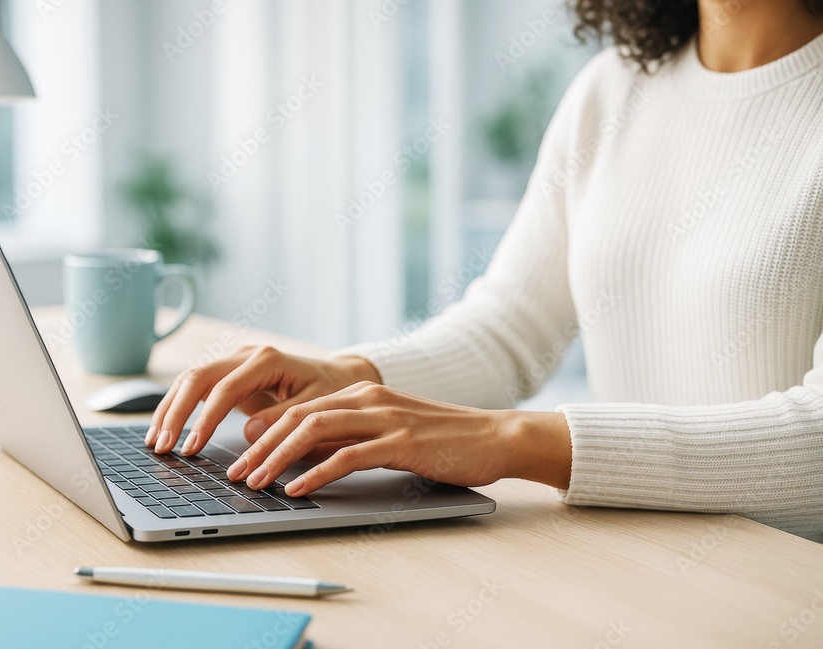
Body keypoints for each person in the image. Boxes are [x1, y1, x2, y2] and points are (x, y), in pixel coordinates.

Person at [146, 0, 823, 542]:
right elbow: (511, 328)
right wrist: (351, 376)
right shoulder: (614, 87)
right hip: (629, 552)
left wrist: (510, 440)